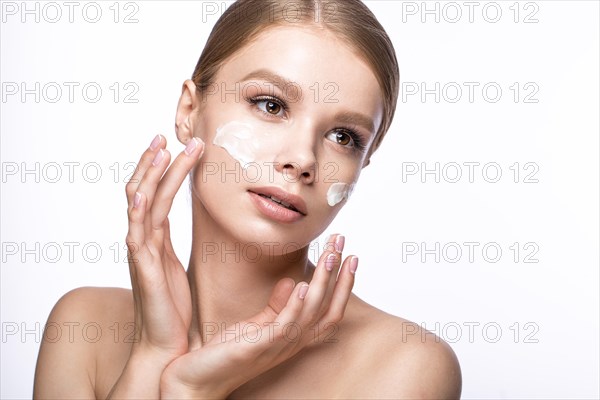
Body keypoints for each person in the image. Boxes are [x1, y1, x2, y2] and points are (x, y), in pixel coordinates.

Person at [33, 0, 461, 398]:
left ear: (363, 164)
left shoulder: (405, 366)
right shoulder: (83, 328)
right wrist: (153, 355)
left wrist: (190, 389)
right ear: (188, 111)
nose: (302, 159)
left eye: (343, 136)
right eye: (271, 105)